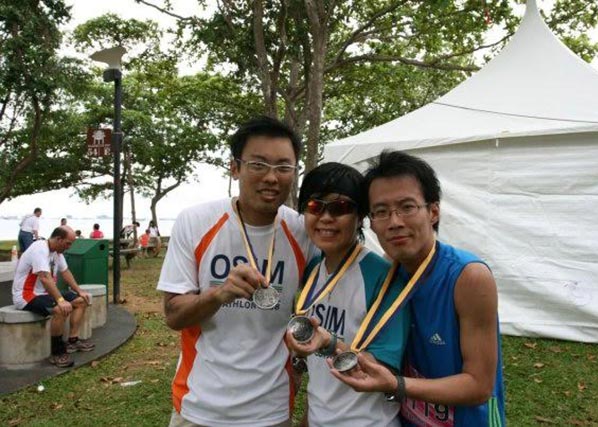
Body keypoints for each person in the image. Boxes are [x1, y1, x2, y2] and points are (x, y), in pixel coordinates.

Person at [157, 116, 315, 427]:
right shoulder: (196, 221)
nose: (272, 177)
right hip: (200, 405)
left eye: (284, 167)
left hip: (271, 409)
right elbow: (173, 316)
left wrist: (299, 364)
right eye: (258, 164)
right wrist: (220, 293)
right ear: (235, 168)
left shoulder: (302, 231)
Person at [331, 151, 505, 427]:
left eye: (407, 207)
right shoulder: (387, 273)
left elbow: (479, 386)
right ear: (372, 223)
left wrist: (397, 385)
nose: (395, 222)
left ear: (433, 211)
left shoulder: (468, 277)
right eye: (381, 212)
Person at [285, 163, 409, 427]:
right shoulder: (313, 271)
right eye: (315, 207)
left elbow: (382, 370)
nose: (326, 218)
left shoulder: (382, 277)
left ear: (360, 216)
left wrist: (329, 343)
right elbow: (321, 373)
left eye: (340, 207)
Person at [11, 226, 95, 368]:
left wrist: (79, 291)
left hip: (45, 293)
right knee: (60, 309)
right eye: (68, 243)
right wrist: (61, 300)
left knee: (81, 301)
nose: (69, 247)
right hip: (26, 295)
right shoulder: (39, 249)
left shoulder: (57, 252)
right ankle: (57, 353)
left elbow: (66, 272)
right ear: (58, 239)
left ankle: (73, 341)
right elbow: (44, 277)